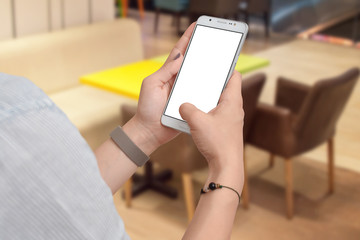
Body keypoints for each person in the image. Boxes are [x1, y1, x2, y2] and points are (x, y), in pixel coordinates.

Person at [0, 23, 244, 240]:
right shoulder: (17, 108)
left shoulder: (16, 105)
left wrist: (145, 130)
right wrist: (227, 166)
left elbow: (66, 200)